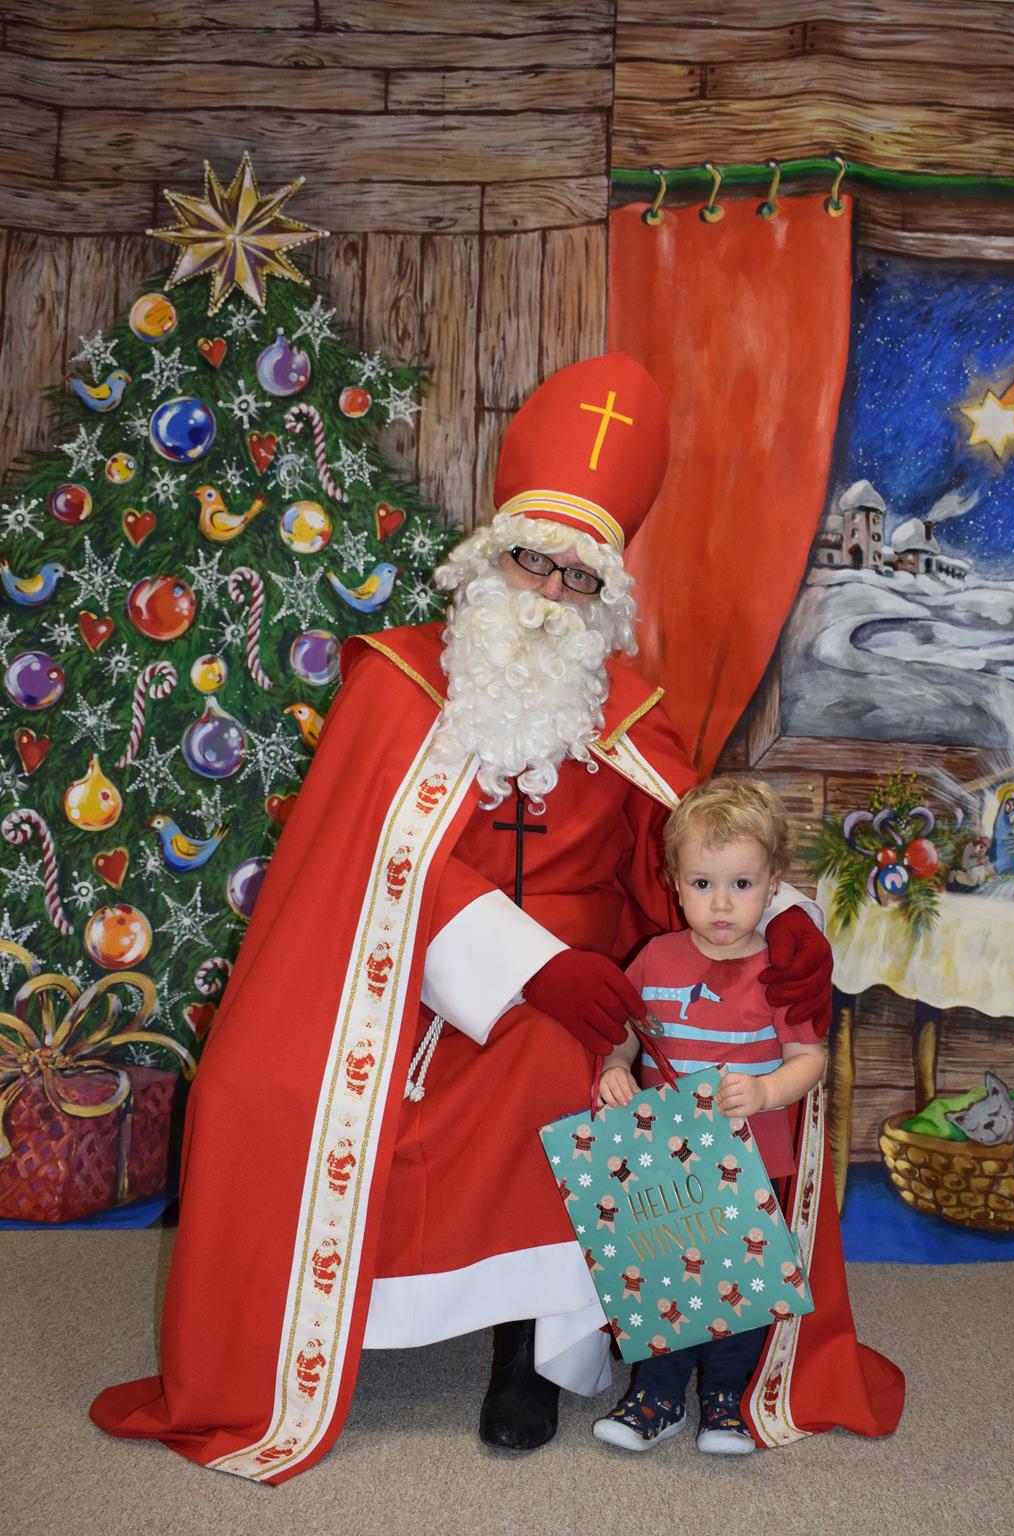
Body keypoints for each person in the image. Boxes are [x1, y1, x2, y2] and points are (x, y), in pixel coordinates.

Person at [89, 353, 836, 1483]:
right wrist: (525, 965)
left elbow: (692, 850)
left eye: (577, 577)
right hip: (390, 971)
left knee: (562, 1059)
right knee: (254, 1086)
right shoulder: (396, 683)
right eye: (533, 561)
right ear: (492, 559)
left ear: (604, 597)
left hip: (584, 988)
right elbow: (360, 866)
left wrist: (778, 919)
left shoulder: (625, 711)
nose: (548, 594)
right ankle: (314, 1330)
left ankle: (527, 1355)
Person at [591, 777, 828, 1455]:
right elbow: (625, 1034)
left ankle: (726, 1399)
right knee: (663, 1277)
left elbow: (809, 1058)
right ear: (675, 884)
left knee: (740, 1284)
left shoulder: (779, 971)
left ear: (773, 885)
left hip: (752, 1157)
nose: (721, 904)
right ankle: (658, 1397)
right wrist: (615, 1068)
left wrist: (768, 1091)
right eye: (702, 884)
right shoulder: (654, 959)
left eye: (742, 885)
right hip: (665, 1159)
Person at [989, 782, 1014, 875]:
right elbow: (997, 833)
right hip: (1000, 847)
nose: (1011, 806)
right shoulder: (999, 819)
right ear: (1004, 804)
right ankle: (1002, 870)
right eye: (1008, 803)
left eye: (1013, 804)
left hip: (1012, 848)